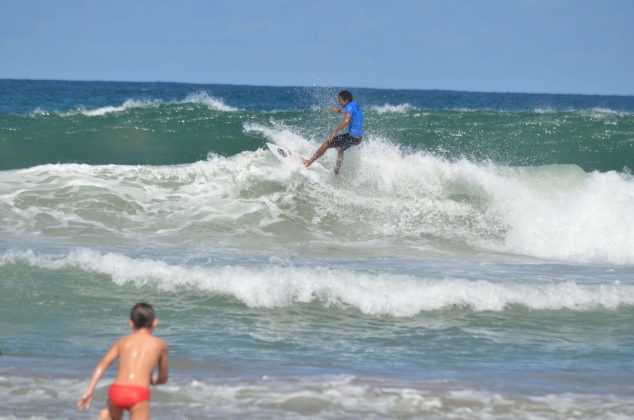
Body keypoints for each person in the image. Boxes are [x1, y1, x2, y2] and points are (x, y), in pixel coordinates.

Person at [77, 303, 169, 420]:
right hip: (138, 393)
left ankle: (106, 415)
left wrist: (89, 391)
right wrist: (151, 380)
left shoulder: (122, 342)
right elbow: (163, 378)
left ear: (131, 323)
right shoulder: (160, 344)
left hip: (117, 391)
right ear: (155, 323)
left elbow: (103, 364)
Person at [303, 90, 363, 174]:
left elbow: (346, 121)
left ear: (346, 100)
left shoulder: (349, 107)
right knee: (340, 148)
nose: (339, 103)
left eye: (340, 101)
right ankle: (336, 171)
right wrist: (337, 110)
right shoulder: (355, 105)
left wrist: (334, 132)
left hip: (351, 137)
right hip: (358, 139)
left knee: (326, 144)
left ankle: (308, 162)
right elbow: (348, 112)